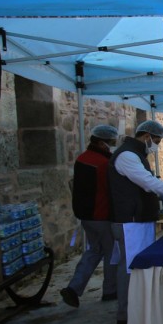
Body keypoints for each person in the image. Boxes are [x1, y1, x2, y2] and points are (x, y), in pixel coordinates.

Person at [108, 120, 163, 324]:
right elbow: (146, 181)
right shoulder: (127, 156)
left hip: (139, 217)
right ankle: (125, 314)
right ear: (147, 137)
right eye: (157, 141)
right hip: (130, 220)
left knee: (137, 264)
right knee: (130, 266)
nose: (157, 146)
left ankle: (138, 307)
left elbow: (147, 183)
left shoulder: (136, 154)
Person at [60, 124, 119, 308]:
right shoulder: (103, 164)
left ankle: (74, 287)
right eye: (111, 143)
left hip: (85, 216)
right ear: (102, 143)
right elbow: (110, 190)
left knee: (94, 250)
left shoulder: (82, 159)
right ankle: (110, 290)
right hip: (101, 215)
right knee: (111, 253)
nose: (113, 146)